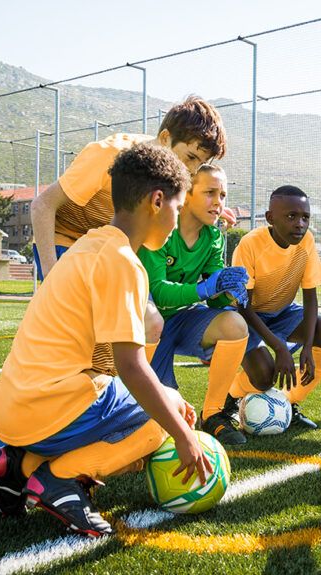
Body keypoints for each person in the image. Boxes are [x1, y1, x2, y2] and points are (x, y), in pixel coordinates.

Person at [0, 143, 213, 537]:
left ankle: (16, 466)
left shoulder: (89, 243)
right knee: (165, 417)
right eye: (178, 206)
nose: (177, 220)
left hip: (14, 408)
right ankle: (58, 480)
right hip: (47, 404)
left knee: (157, 405)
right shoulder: (122, 261)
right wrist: (182, 435)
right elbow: (131, 366)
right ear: (157, 201)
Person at [31, 95, 228, 281]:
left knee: (149, 315)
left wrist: (206, 207)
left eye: (199, 164)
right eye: (191, 157)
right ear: (165, 138)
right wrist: (51, 274)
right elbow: (42, 205)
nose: (192, 171)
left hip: (111, 247)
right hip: (66, 240)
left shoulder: (172, 175)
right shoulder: (109, 154)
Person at [139, 164, 251, 445]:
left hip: (181, 320)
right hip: (146, 327)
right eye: (210, 192)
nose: (219, 202)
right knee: (157, 422)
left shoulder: (213, 237)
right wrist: (205, 288)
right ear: (186, 194)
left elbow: (214, 294)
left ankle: (213, 414)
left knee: (234, 324)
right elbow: (159, 293)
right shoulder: (161, 226)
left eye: (223, 195)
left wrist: (229, 293)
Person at [228, 185, 321, 430]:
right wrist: (279, 347)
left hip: (282, 312)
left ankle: (287, 403)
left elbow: (310, 297)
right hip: (247, 317)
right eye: (291, 216)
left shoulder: (307, 241)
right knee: (263, 375)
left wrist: (308, 348)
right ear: (270, 218)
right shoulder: (250, 244)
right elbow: (244, 305)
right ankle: (230, 399)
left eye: (305, 217)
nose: (300, 224)